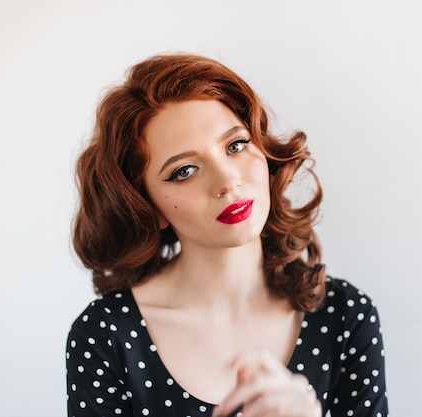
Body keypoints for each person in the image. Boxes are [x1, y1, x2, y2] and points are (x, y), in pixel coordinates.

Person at [66, 53, 389, 417]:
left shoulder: (345, 316)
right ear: (147, 205)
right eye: (185, 170)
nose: (227, 181)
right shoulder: (105, 335)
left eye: (236, 145)